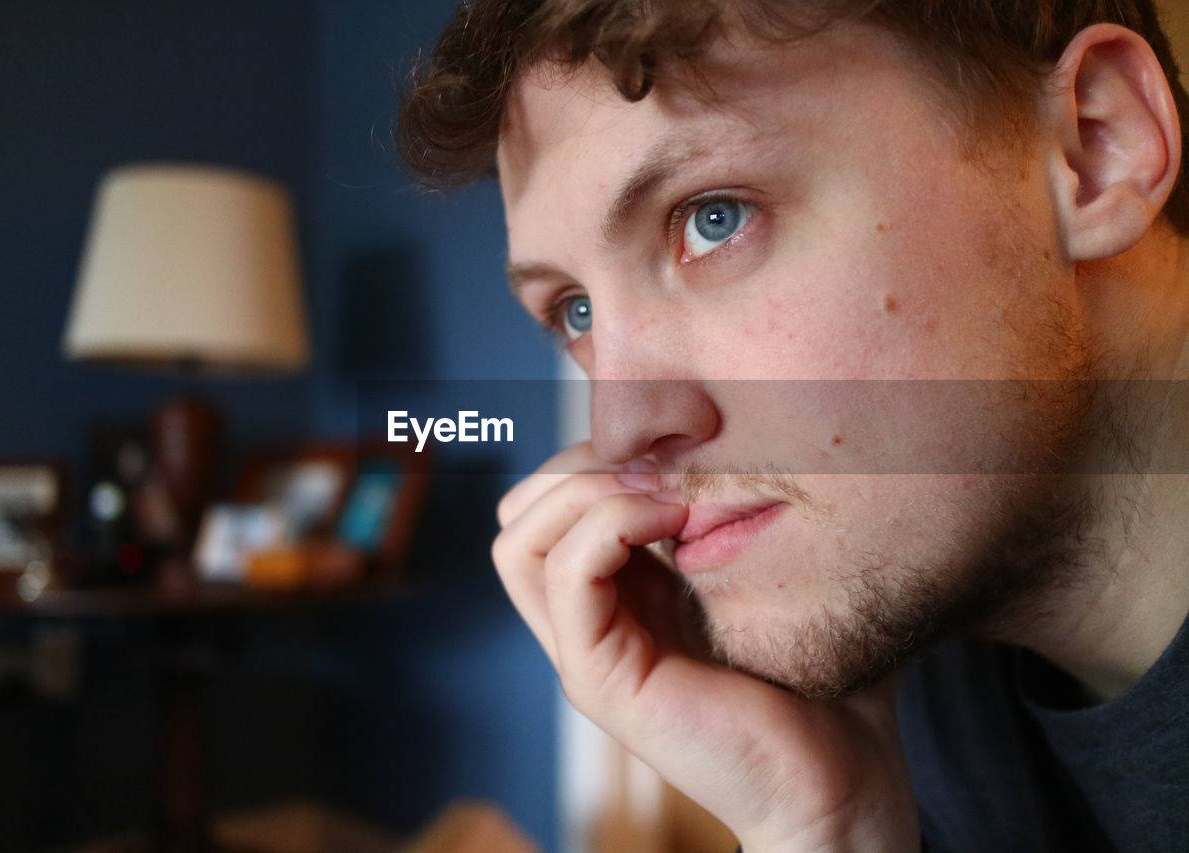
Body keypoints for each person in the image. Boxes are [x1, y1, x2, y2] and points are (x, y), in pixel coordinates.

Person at [397, 1, 1189, 850]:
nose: (621, 429)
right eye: (576, 310)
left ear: (1096, 146)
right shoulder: (910, 684)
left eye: (715, 217)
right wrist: (823, 824)